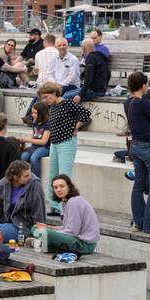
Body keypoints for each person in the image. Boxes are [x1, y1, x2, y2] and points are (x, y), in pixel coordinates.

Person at [36, 83, 91, 215]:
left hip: (66, 142)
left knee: (64, 177)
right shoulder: (53, 106)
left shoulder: (67, 103)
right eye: (43, 98)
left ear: (55, 93)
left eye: (46, 97)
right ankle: (55, 206)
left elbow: (86, 113)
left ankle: (66, 209)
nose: (45, 100)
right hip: (54, 143)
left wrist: (76, 127)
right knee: (53, 176)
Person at [125, 72, 150, 233]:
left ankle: (139, 221)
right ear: (142, 86)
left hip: (135, 145)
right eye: (147, 84)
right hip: (149, 146)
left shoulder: (128, 102)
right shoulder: (144, 102)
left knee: (139, 184)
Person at [0, 159, 48, 244]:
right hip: (3, 219)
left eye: (30, 174)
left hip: (21, 225)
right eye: (26, 176)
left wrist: (38, 233)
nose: (30, 177)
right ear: (15, 177)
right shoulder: (2, 184)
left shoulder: (35, 185)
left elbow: (39, 211)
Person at [45, 175, 100, 254]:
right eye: (55, 187)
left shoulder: (73, 202)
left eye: (62, 186)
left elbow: (72, 231)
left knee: (47, 234)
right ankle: (42, 244)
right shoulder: (66, 202)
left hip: (84, 245)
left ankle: (40, 244)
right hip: (76, 240)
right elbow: (67, 227)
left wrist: (49, 231)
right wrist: (52, 227)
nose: (59, 189)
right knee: (36, 228)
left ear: (69, 187)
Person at [17, 104, 51, 179]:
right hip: (34, 146)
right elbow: (33, 137)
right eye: (32, 113)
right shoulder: (35, 123)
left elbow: (43, 142)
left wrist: (26, 139)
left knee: (34, 158)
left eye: (35, 113)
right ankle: (23, 177)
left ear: (41, 113)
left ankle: (35, 179)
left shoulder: (48, 124)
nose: (33, 115)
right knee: (23, 157)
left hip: (45, 147)